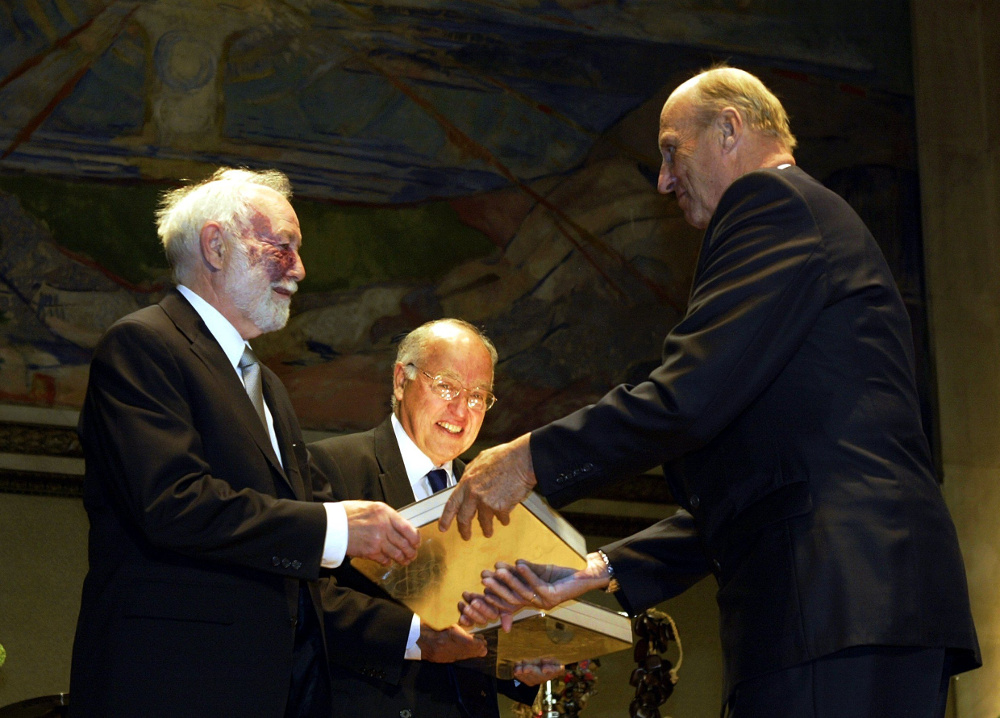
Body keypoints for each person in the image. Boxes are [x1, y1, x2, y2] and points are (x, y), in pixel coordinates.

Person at [441, 67, 981, 717]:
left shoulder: (771, 204)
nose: (664, 179)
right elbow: (758, 482)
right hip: (854, 610)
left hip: (832, 602)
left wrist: (529, 459)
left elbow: (687, 395)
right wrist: (598, 572)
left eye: (672, 150)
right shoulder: (808, 220)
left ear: (730, 128)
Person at [69, 168, 420, 718]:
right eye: (284, 246)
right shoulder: (143, 344)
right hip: (173, 686)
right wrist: (337, 527)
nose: (300, 270)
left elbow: (313, 519)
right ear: (215, 245)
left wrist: (456, 588)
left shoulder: (265, 384)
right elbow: (174, 503)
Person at [310, 319, 551, 718]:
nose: (461, 409)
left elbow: (482, 624)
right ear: (400, 382)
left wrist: (516, 665)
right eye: (446, 386)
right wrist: (413, 636)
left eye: (478, 396)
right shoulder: (332, 466)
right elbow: (305, 596)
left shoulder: (492, 493)